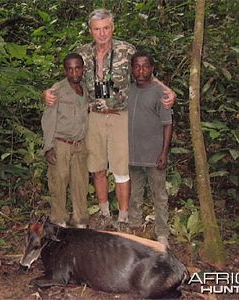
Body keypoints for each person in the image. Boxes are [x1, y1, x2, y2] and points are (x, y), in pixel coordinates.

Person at [43, 9, 176, 228]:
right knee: (97, 167)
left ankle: (123, 216)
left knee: (121, 168)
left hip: (119, 116)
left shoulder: (126, 50)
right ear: (90, 31)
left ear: (112, 27)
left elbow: (145, 74)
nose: (102, 33)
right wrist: (47, 92)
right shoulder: (83, 53)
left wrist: (168, 90)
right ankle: (104, 213)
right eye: (97, 29)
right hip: (93, 117)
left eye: (106, 28)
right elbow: (70, 77)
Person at [128, 50, 173, 246]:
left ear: (152, 69)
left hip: (154, 155)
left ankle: (162, 233)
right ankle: (135, 227)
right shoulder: (128, 90)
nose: (141, 70)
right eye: (137, 66)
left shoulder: (160, 93)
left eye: (145, 66)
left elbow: (167, 123)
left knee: (159, 194)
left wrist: (164, 152)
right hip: (132, 154)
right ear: (131, 69)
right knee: (135, 193)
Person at [41, 53, 89, 228]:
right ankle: (59, 222)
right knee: (58, 183)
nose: (74, 72)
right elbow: (48, 118)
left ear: (83, 69)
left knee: (80, 184)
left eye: (77, 68)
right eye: (70, 69)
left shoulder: (86, 89)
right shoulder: (57, 90)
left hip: (80, 145)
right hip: (61, 144)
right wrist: (48, 147)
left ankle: (80, 222)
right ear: (65, 71)